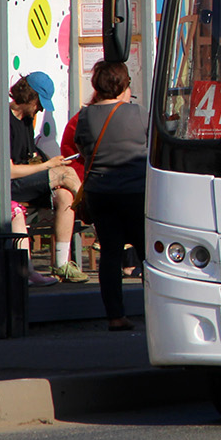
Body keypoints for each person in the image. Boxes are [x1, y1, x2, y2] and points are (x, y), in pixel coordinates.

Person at [72, 60, 149, 331]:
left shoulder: (85, 116)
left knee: (111, 254)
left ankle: (116, 315)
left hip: (101, 193)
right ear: (123, 84)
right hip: (135, 192)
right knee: (147, 254)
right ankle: (157, 312)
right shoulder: (138, 113)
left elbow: (82, 147)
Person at [9, 72, 89, 283]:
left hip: (25, 179)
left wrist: (43, 163)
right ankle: (91, 208)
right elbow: (9, 171)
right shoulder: (5, 119)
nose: (41, 109)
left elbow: (27, 159)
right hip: (9, 183)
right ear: (30, 97)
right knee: (65, 173)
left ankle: (62, 264)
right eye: (39, 103)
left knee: (64, 195)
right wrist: (48, 166)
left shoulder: (26, 120)